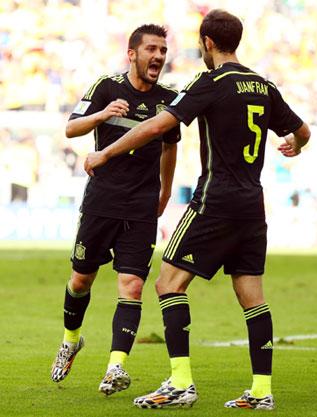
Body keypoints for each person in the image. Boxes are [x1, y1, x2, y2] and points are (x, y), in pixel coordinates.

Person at [84, 9, 311, 410]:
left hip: (215, 200)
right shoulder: (263, 85)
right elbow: (302, 130)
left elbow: (157, 126)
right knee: (252, 296)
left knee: (168, 284)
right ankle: (261, 391)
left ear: (207, 42)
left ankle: (180, 383)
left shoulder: (210, 82)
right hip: (252, 205)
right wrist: (296, 145)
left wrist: (106, 153)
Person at [51, 24, 181, 397]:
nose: (158, 56)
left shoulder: (169, 99)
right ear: (133, 54)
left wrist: (166, 191)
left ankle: (116, 367)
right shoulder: (106, 87)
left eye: (162, 50)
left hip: (141, 205)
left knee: (133, 285)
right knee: (81, 280)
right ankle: (70, 340)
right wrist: (102, 115)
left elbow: (171, 146)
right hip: (101, 202)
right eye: (152, 49)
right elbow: (71, 128)